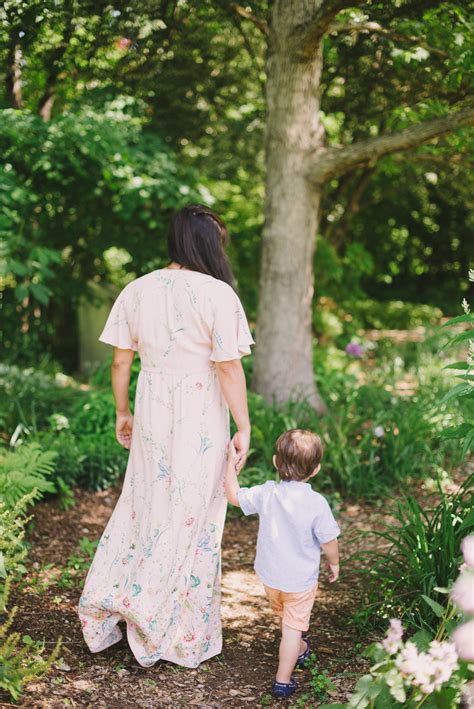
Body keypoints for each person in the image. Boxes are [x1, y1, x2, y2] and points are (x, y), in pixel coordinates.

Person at [78, 204, 254, 668]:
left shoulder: (137, 289)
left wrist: (122, 410)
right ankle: (173, 626)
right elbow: (228, 366)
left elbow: (121, 362)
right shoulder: (217, 294)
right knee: (193, 514)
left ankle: (121, 597)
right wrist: (244, 425)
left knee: (145, 503)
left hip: (153, 406)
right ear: (207, 243)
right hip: (201, 412)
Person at [224, 429, 340, 698]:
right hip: (299, 582)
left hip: (270, 578)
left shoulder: (267, 493)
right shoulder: (316, 503)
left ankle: (299, 647)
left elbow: (234, 495)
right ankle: (282, 680)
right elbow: (329, 540)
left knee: (287, 618)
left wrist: (230, 463)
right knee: (291, 628)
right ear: (316, 470)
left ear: (276, 462)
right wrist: (334, 563)